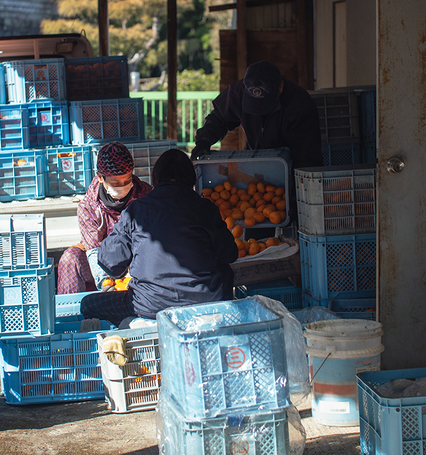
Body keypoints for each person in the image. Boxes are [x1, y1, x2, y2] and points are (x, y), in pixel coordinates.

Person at [80, 149, 238, 327]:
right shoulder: (206, 208)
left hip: (149, 306)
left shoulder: (136, 210)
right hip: (205, 303)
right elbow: (229, 254)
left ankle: (133, 324)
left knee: (88, 305)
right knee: (225, 272)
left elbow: (110, 264)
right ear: (192, 179)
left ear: (156, 178)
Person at [56, 142, 152, 294]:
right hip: (102, 263)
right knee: (70, 259)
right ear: (100, 177)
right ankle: (72, 314)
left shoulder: (146, 195)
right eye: (115, 182)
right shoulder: (88, 206)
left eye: (127, 181)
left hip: (140, 259)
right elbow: (93, 250)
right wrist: (105, 283)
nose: (122, 185)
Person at [190, 60, 323, 168]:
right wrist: (204, 140)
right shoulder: (238, 92)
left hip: (288, 165)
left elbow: (306, 155)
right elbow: (219, 118)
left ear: (280, 87)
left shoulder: (299, 104)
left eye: (265, 103)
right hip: (254, 160)